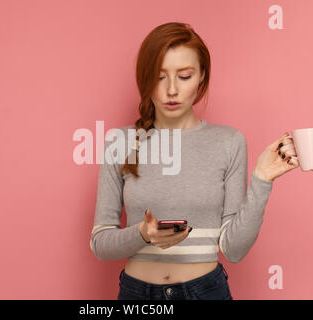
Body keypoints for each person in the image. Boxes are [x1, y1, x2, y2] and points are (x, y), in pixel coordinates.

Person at [89, 22, 299, 300]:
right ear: (144, 78)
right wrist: (142, 234)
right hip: (136, 295)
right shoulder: (120, 141)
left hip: (205, 291)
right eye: (159, 77)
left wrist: (262, 179)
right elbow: (100, 243)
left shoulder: (229, 141)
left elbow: (233, 250)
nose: (172, 90)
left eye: (184, 76)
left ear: (201, 77)